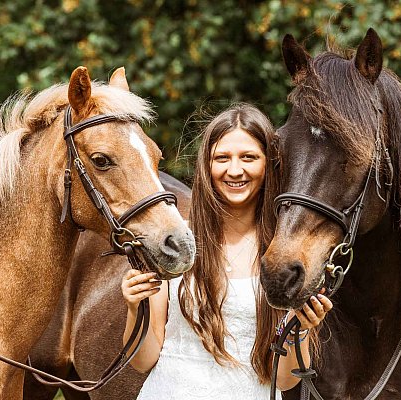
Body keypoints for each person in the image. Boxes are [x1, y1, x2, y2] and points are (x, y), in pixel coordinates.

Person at [121, 103, 332, 399]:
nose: (235, 170)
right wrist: (135, 307)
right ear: (207, 165)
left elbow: (283, 381)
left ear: (269, 164)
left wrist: (302, 329)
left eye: (248, 157)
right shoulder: (176, 243)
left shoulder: (283, 258)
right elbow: (143, 360)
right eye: (222, 158)